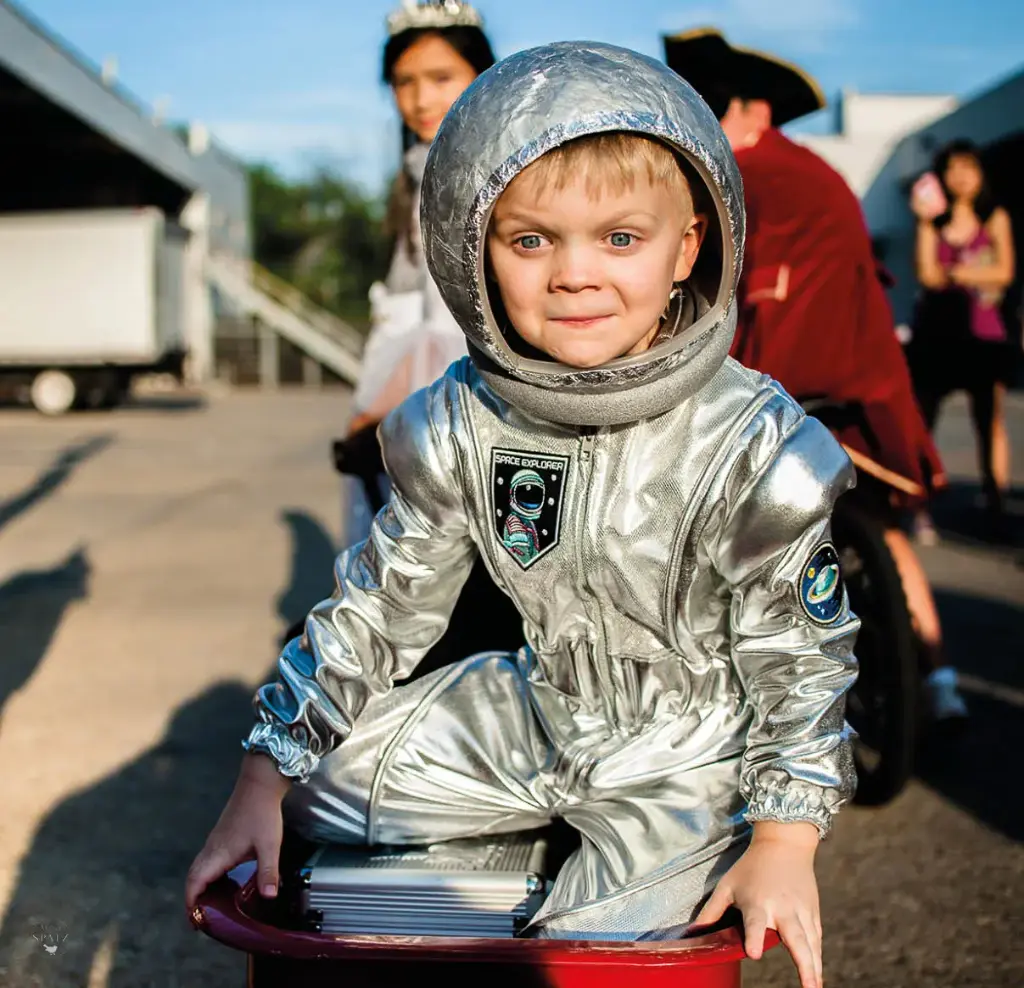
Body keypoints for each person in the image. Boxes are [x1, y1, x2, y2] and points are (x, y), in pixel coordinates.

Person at [188, 43, 859, 988]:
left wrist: (786, 836)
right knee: (308, 800)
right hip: (539, 710)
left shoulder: (751, 442)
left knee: (590, 952)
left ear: (688, 249)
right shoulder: (466, 417)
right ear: (473, 250)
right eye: (532, 241)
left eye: (620, 238)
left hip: (690, 753)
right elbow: (384, 603)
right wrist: (266, 771)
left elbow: (798, 652)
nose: (575, 275)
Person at [663, 27, 968, 723]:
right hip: (860, 370)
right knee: (883, 526)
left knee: (721, 526)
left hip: (781, 368)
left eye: (714, 106)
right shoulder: (812, 170)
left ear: (754, 110)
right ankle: (942, 681)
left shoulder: (740, 176)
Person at [344, 0, 497, 547]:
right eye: (404, 82)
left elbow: (444, 321)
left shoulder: (471, 169)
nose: (421, 98)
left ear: (482, 75)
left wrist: (380, 410)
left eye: (441, 77)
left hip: (463, 388)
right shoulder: (420, 171)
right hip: (421, 382)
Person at [908, 140, 1016, 541]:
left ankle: (996, 501)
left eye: (968, 167)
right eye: (953, 168)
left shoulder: (994, 217)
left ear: (980, 173)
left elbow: (1004, 271)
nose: (961, 176)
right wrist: (924, 223)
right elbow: (927, 275)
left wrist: (955, 274)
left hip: (984, 336)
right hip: (937, 336)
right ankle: (919, 507)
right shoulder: (932, 221)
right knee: (924, 423)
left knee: (989, 421)